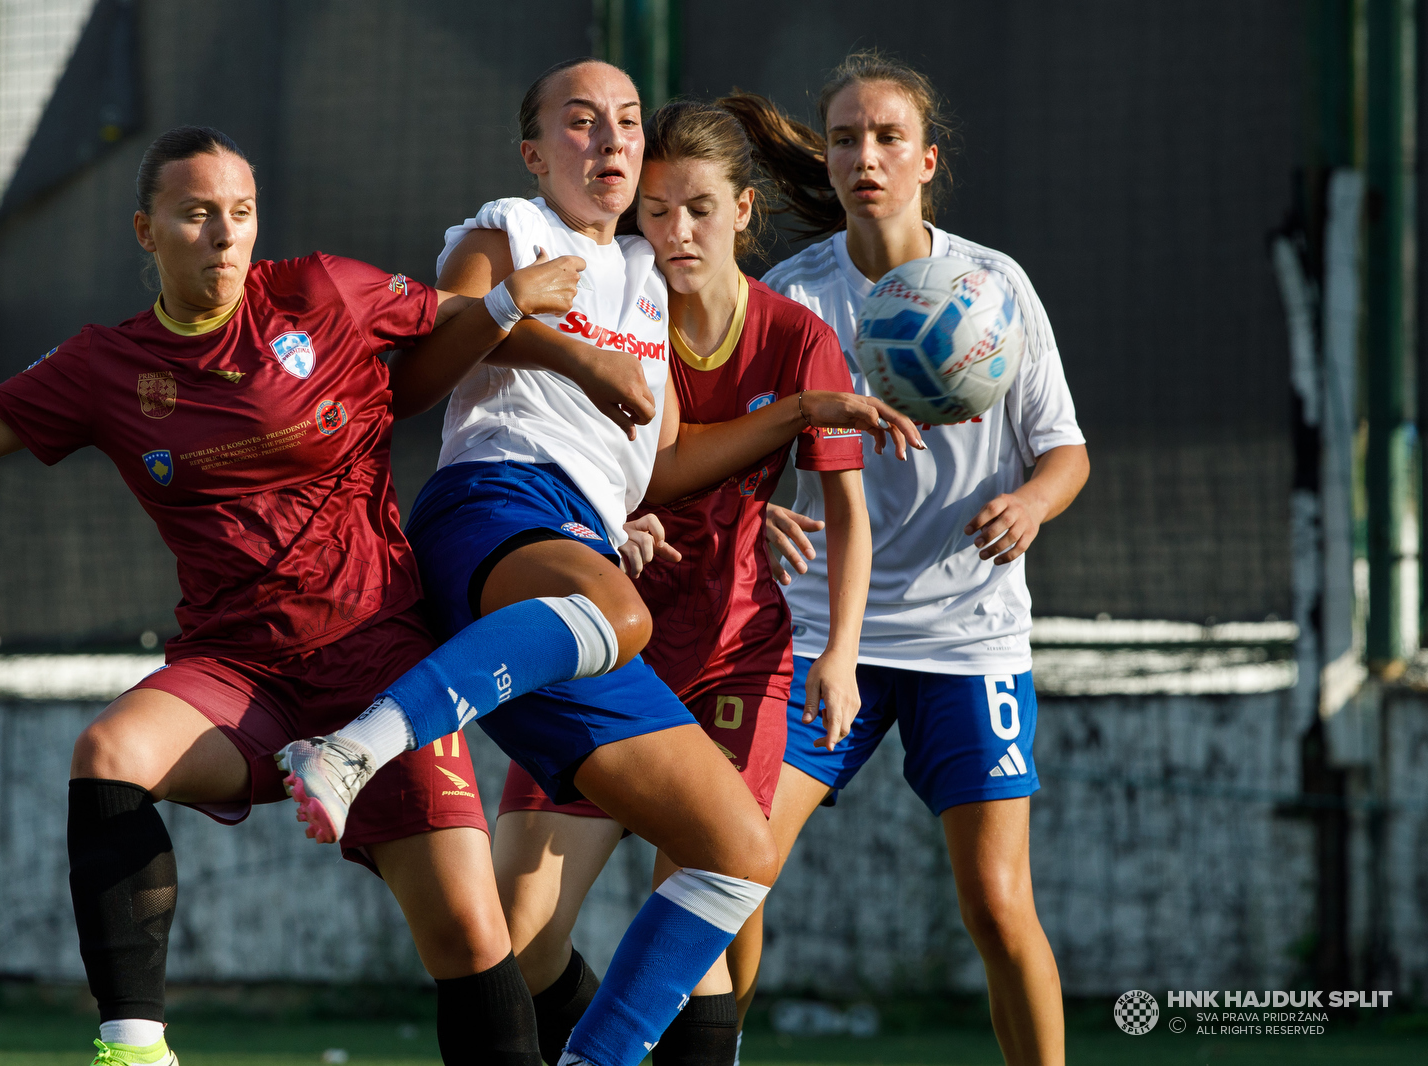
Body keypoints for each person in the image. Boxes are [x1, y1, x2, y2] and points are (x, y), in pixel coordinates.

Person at [0, 125, 590, 1066]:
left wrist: (590, 423)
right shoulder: (105, 365)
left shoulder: (322, 291)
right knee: (108, 752)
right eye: (197, 215)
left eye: (240, 213)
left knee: (476, 943)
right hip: (240, 676)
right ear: (146, 232)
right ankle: (134, 1046)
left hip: (381, 669)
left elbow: (457, 327)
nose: (226, 236)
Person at [276, 59, 912, 1066]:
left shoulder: (640, 282)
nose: (610, 140)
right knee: (624, 617)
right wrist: (545, 335)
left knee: (735, 852)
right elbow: (415, 377)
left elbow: (653, 462)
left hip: (583, 557)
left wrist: (779, 424)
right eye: (581, 123)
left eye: (624, 120)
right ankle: (355, 746)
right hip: (495, 505)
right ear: (535, 155)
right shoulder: (507, 233)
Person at [491, 99, 895, 1066]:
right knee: (515, 934)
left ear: (744, 211)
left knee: (696, 912)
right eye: (658, 211)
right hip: (603, 651)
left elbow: (847, 510)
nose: (676, 233)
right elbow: (615, 455)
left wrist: (838, 655)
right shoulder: (623, 318)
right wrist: (609, 514)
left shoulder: (797, 336)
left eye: (700, 209)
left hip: (731, 663)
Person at [729, 53, 1090, 1066]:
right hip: (814, 632)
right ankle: (716, 1047)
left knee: (996, 900)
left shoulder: (993, 287)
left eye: (887, 137)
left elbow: (1065, 449)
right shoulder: (789, 299)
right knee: (731, 864)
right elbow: (728, 453)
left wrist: (1029, 500)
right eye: (845, 137)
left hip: (970, 637)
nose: (864, 156)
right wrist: (748, 514)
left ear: (927, 160)